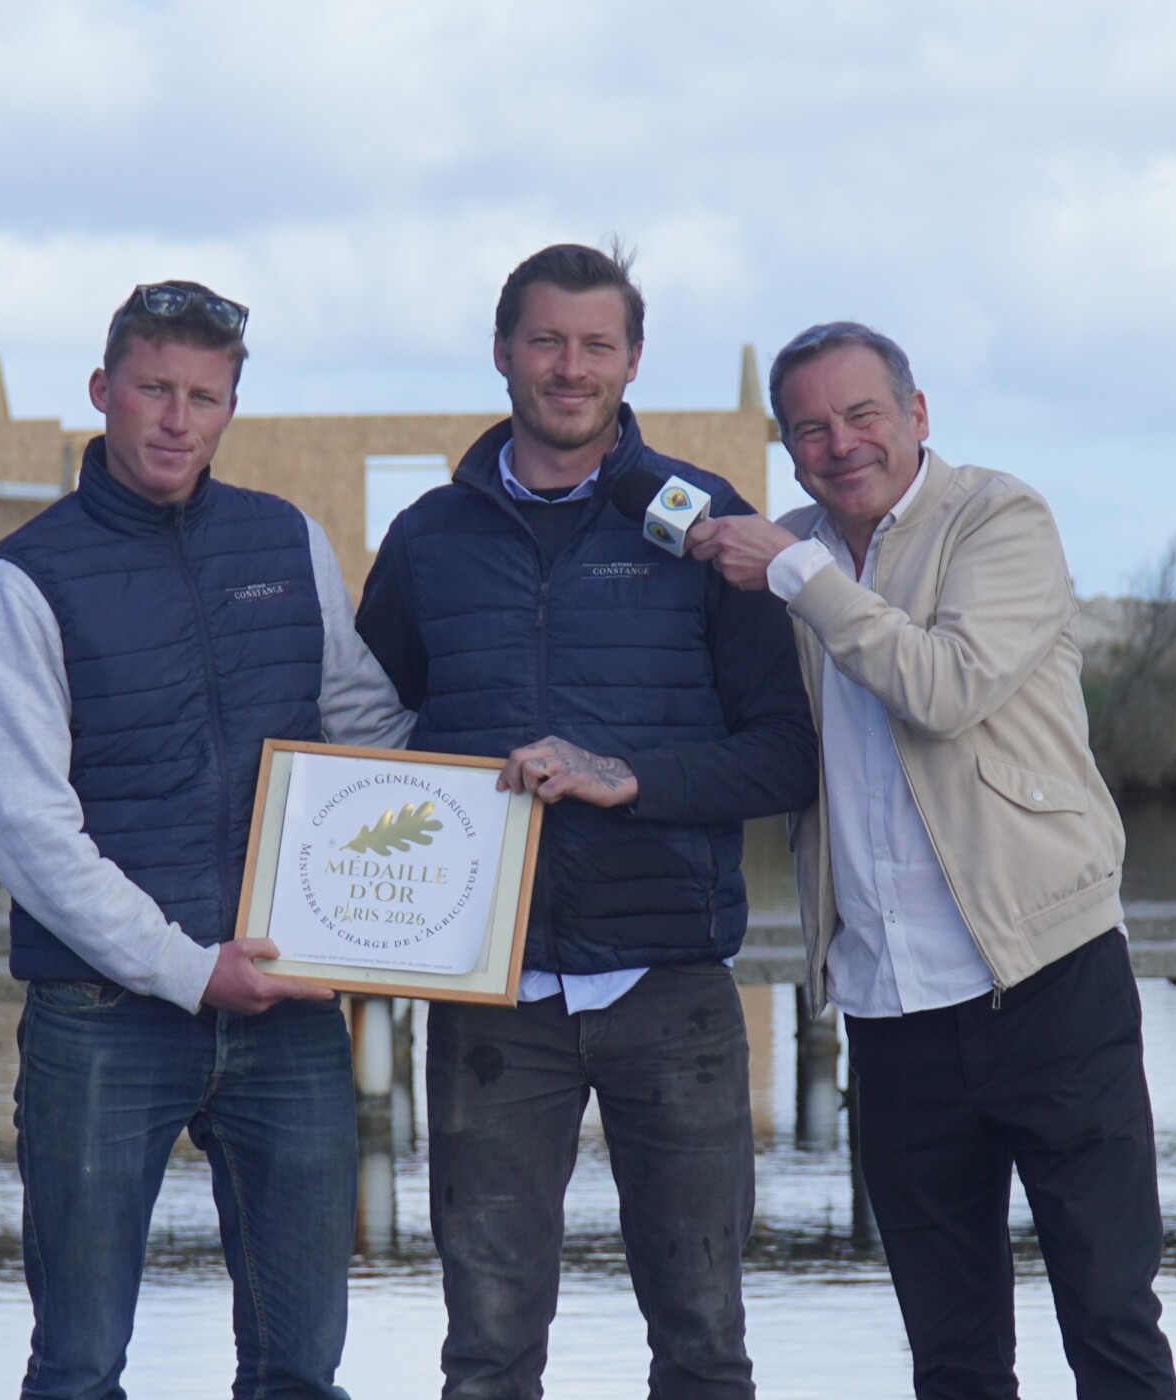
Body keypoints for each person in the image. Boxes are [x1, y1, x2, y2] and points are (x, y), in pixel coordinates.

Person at [356, 243, 817, 1400]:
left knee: (703, 1348)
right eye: (546, 341)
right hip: (489, 997)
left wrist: (631, 778)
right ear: (504, 350)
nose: (570, 368)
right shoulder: (425, 538)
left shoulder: (708, 524)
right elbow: (368, 737)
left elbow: (784, 754)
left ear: (632, 359)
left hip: (673, 991)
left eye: (595, 344)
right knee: (487, 1355)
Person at [688, 322, 1176, 1399]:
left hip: (1045, 978)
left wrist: (798, 575)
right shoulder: (787, 554)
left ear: (915, 415)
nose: (838, 442)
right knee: (950, 1355)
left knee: (1106, 1318)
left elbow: (944, 687)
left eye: (861, 414)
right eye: (809, 427)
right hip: (887, 1004)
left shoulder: (997, 517)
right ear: (787, 445)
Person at [0, 280, 413, 1400]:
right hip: (102, 1017)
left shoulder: (285, 538)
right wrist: (185, 965)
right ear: (102, 390)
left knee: (300, 1367)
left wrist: (481, 801)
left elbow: (358, 725)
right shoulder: (26, 578)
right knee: (78, 1364)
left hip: (290, 1007)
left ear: (229, 407)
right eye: (154, 389)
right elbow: (29, 830)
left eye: (202, 396)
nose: (176, 419)